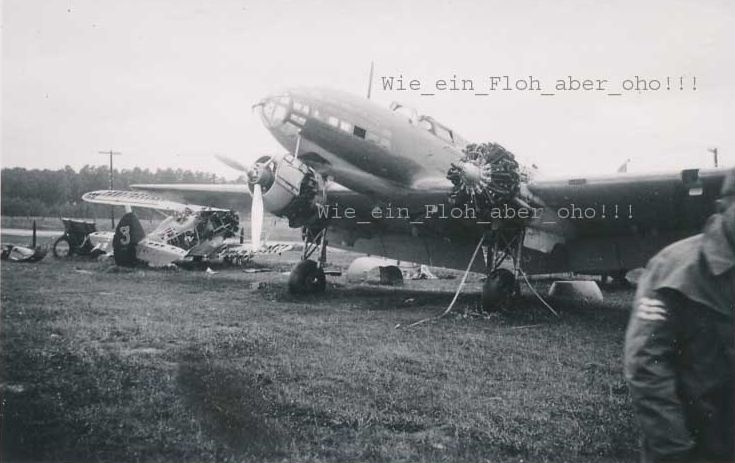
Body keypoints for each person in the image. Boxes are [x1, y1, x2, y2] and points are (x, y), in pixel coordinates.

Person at [624, 168, 735, 463]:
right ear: (724, 205)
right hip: (697, 447)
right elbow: (647, 365)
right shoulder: (673, 268)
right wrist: (673, 451)